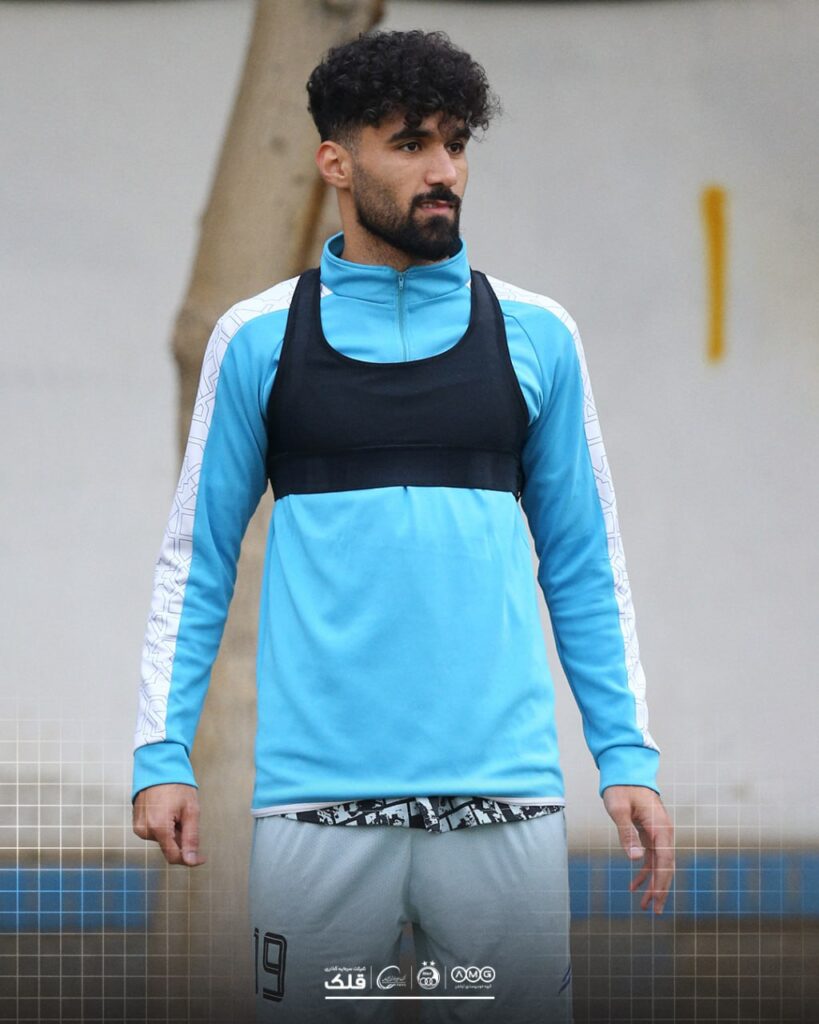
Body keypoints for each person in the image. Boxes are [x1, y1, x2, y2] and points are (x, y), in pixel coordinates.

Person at [131, 28, 674, 1024]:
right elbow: (193, 564)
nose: (444, 171)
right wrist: (161, 753)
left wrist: (625, 756)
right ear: (336, 162)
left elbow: (585, 565)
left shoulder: (537, 335)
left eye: (456, 144)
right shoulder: (256, 339)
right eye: (412, 143)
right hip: (317, 811)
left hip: (504, 804)